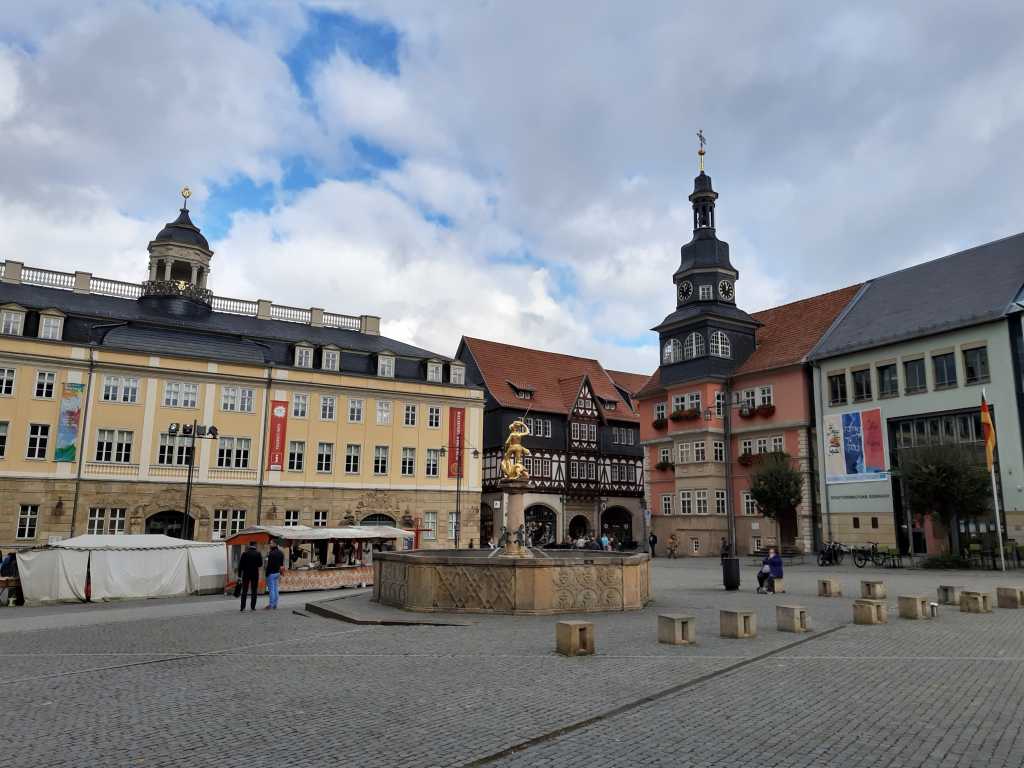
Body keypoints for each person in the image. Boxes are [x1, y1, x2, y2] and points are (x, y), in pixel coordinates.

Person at [238, 543, 263, 611]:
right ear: (255, 546)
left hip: (246, 574)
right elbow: (260, 564)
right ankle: (253, 607)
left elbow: (240, 566)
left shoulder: (244, 554)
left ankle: (242, 607)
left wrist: (239, 576)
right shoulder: (258, 554)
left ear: (249, 546)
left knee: (244, 590)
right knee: (254, 591)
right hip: (255, 574)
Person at [264, 540, 284, 610]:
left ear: (275, 544)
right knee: (276, 589)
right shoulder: (281, 553)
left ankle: (271, 605)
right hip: (277, 572)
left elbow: (268, 565)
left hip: (271, 573)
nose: (270, 544)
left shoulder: (271, 553)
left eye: (271, 543)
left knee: (271, 590)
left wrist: (267, 574)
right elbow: (282, 564)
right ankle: (275, 604)